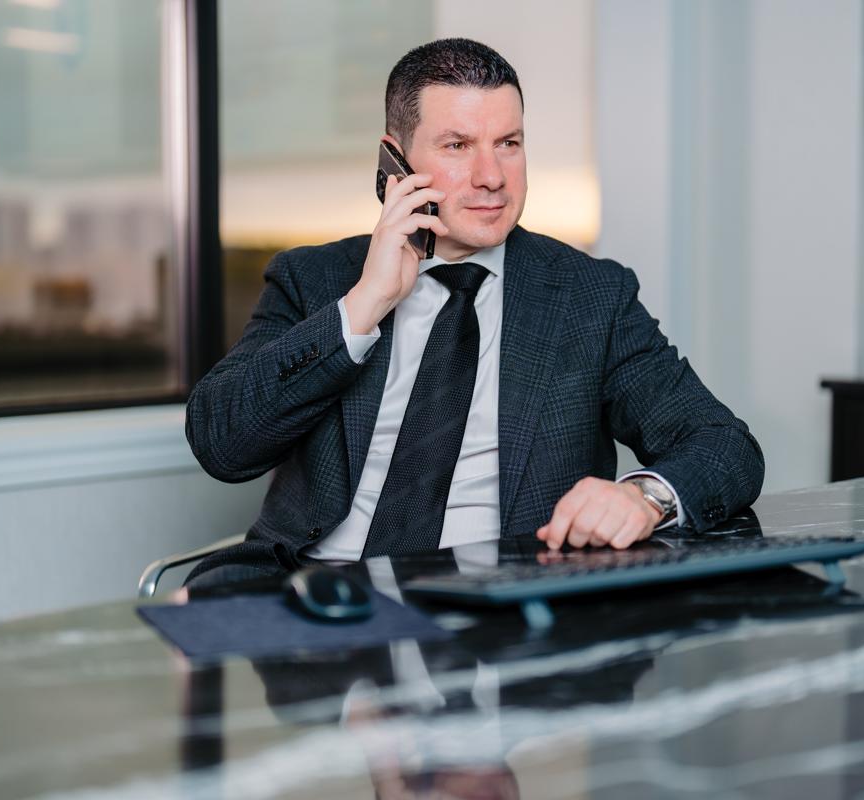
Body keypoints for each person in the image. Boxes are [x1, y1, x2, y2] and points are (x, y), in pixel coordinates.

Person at [184, 38, 763, 585]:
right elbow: (223, 444)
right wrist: (365, 305)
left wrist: (644, 498)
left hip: (499, 603)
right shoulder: (315, 279)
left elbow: (723, 444)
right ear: (395, 159)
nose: (492, 177)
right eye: (458, 146)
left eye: (508, 143)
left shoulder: (590, 297)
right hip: (315, 598)